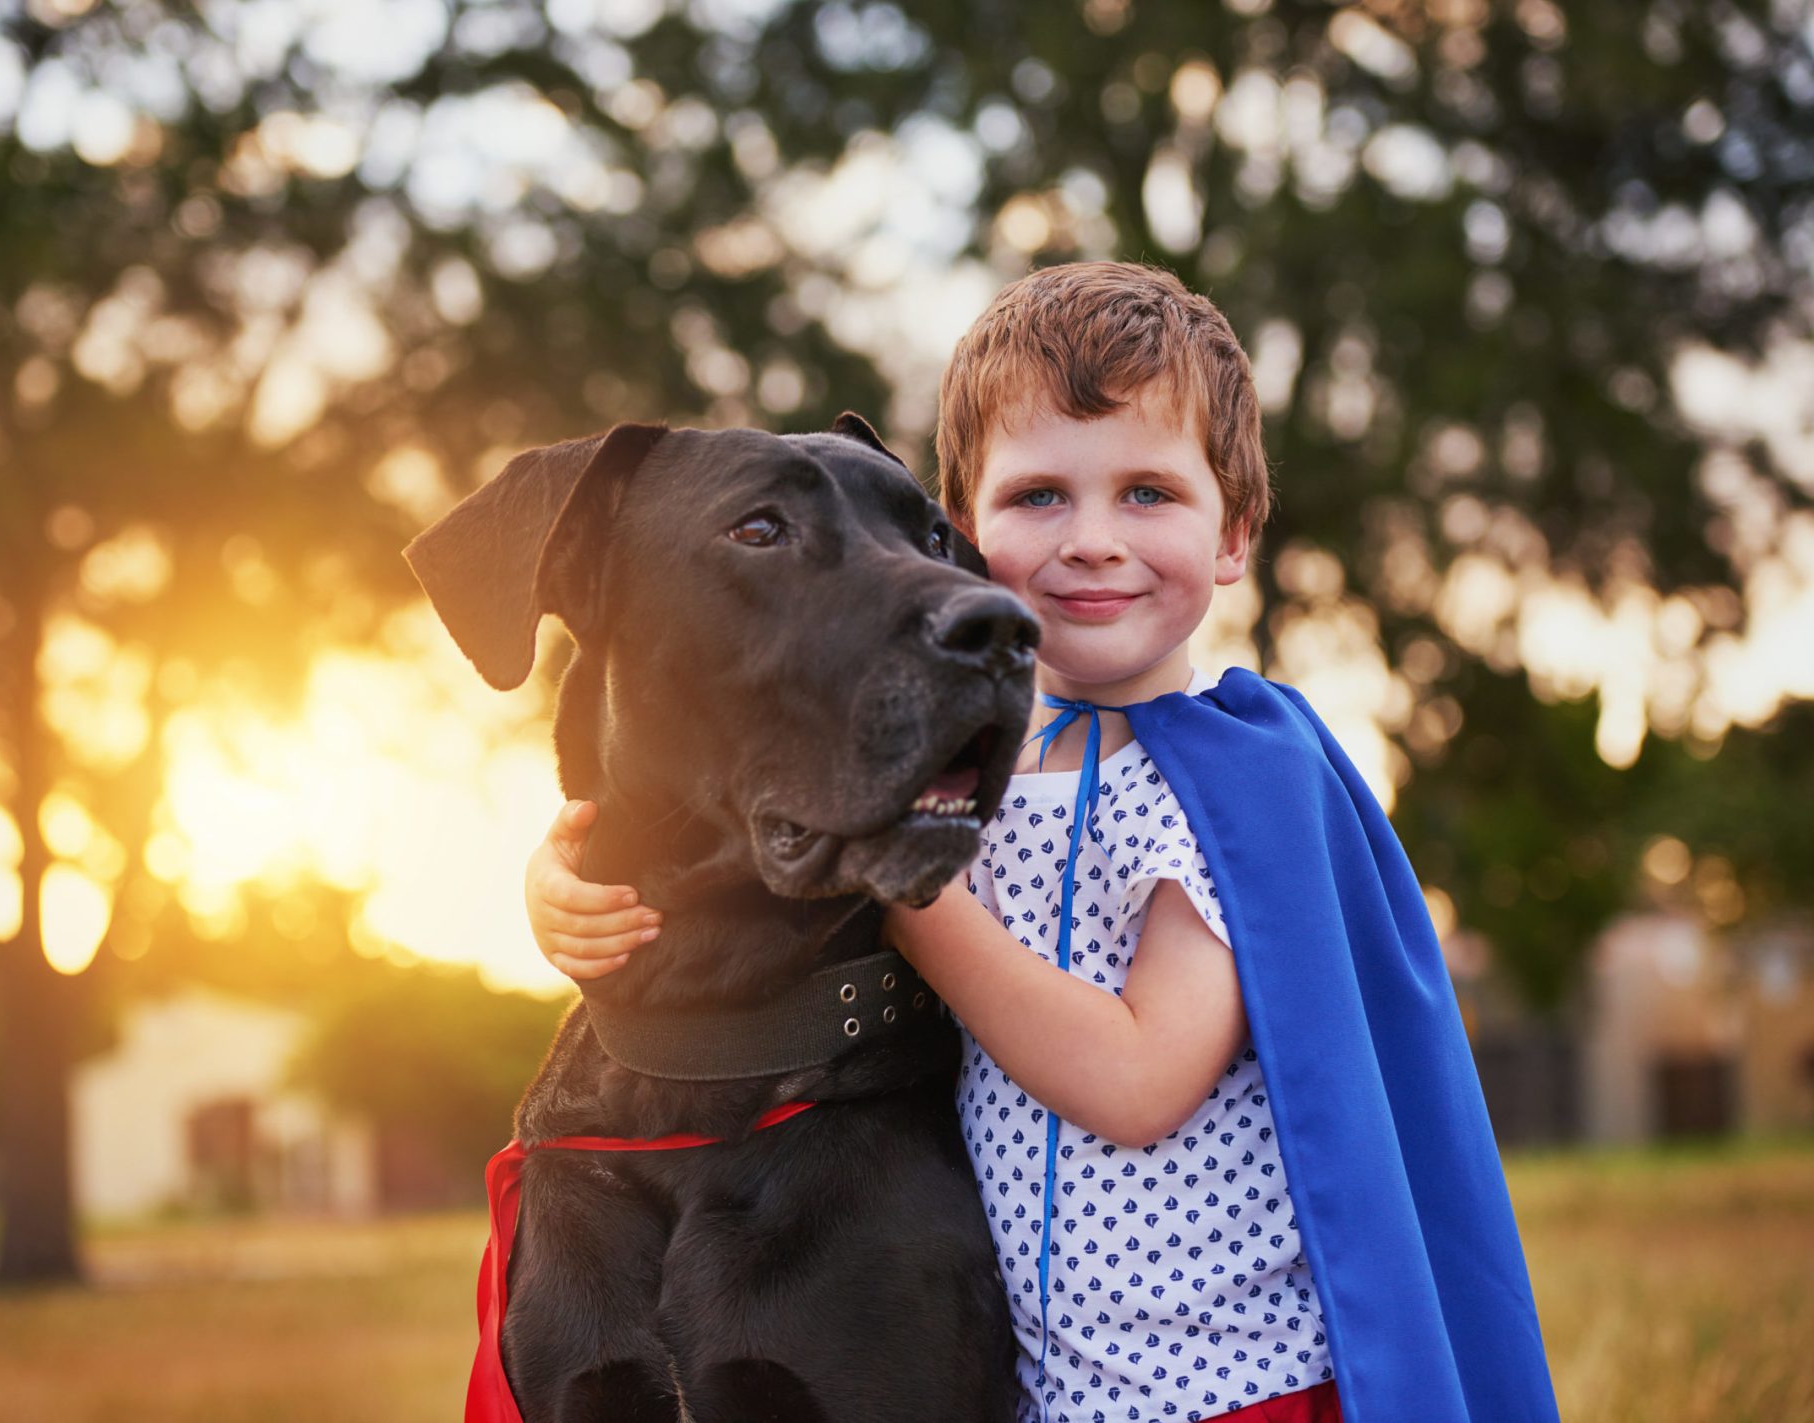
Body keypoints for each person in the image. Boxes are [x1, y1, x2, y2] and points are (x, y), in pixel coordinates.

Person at [523, 261, 1559, 1423]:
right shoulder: (974, 770)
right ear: (960, 535)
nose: (1094, 541)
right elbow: (748, 859)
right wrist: (562, 885)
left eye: (1150, 494)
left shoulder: (1224, 786)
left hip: (1223, 1382)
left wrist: (906, 881)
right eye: (1040, 499)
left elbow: (1135, 1080)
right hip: (1054, 1384)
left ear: (1237, 532)